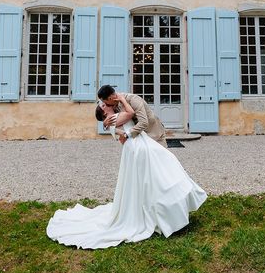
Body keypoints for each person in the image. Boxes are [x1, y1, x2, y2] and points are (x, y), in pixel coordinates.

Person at [46, 91, 207, 249]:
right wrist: (122, 100)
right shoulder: (115, 117)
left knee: (156, 173)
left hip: (141, 140)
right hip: (138, 145)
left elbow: (131, 126)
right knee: (159, 173)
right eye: (104, 105)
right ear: (105, 112)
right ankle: (159, 213)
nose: (105, 105)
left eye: (104, 102)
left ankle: (157, 211)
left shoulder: (113, 117)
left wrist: (121, 116)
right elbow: (130, 114)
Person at [97, 84, 167, 148]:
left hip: (153, 133)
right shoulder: (113, 105)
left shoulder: (133, 100)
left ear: (110, 99)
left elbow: (143, 122)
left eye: (105, 103)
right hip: (139, 138)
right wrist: (105, 124)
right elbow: (113, 119)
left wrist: (126, 135)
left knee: (160, 159)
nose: (105, 105)